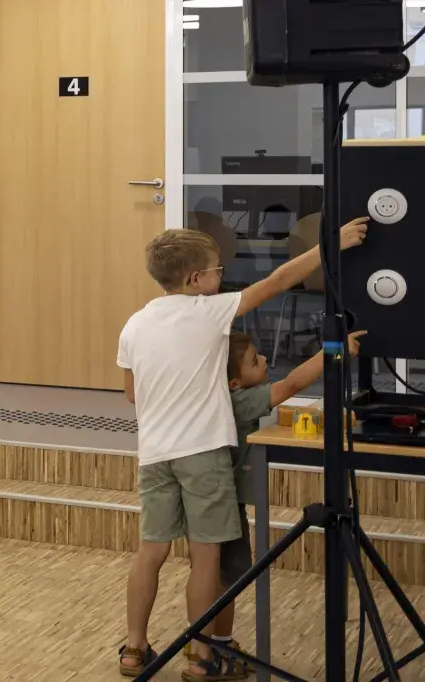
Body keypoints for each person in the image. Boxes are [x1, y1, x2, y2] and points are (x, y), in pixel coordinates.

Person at [116, 220, 367, 680]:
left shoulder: (135, 322)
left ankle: (133, 649)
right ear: (196, 280)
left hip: (153, 454)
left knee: (150, 552)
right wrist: (329, 247)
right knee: (207, 556)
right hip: (203, 454)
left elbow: (132, 394)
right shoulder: (209, 311)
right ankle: (202, 657)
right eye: (217, 270)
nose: (221, 278)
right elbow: (277, 281)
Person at [215, 330, 365, 625]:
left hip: (227, 501)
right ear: (234, 382)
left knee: (226, 576)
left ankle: (217, 642)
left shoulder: (226, 396)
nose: (264, 359)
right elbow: (292, 383)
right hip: (225, 503)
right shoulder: (239, 400)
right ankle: (210, 645)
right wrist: (334, 350)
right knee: (223, 577)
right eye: (254, 360)